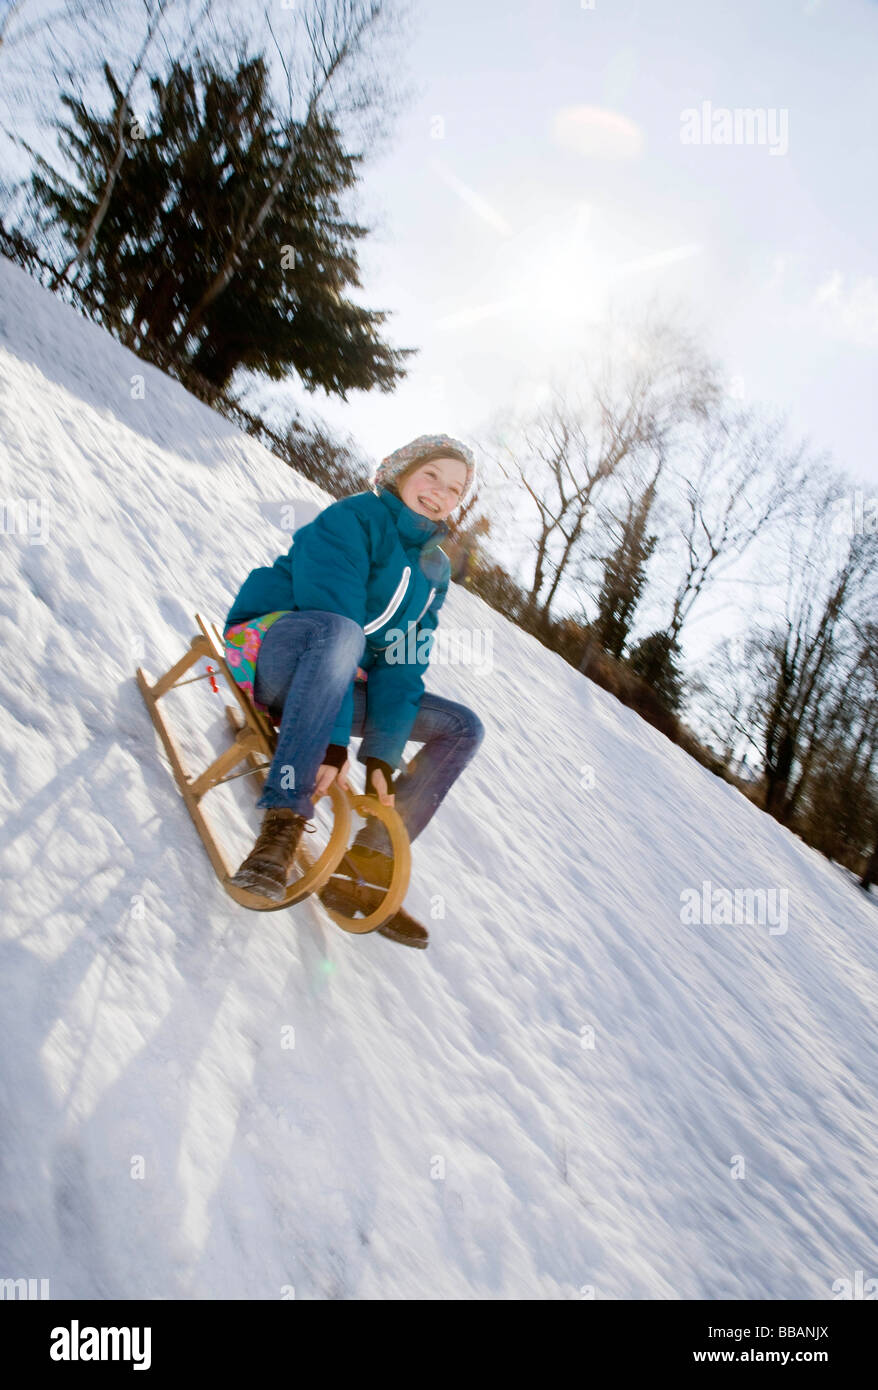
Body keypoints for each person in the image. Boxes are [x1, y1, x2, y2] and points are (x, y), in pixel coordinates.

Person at [221, 434, 485, 948]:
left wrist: (383, 757)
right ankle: (282, 827)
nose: (439, 494)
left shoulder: (435, 570)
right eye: (432, 475)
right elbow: (335, 622)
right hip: (278, 655)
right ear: (402, 470)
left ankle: (365, 864)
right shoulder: (353, 519)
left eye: (454, 489)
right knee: (341, 633)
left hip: (339, 681)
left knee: (463, 727)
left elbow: (402, 666)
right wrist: (334, 745)